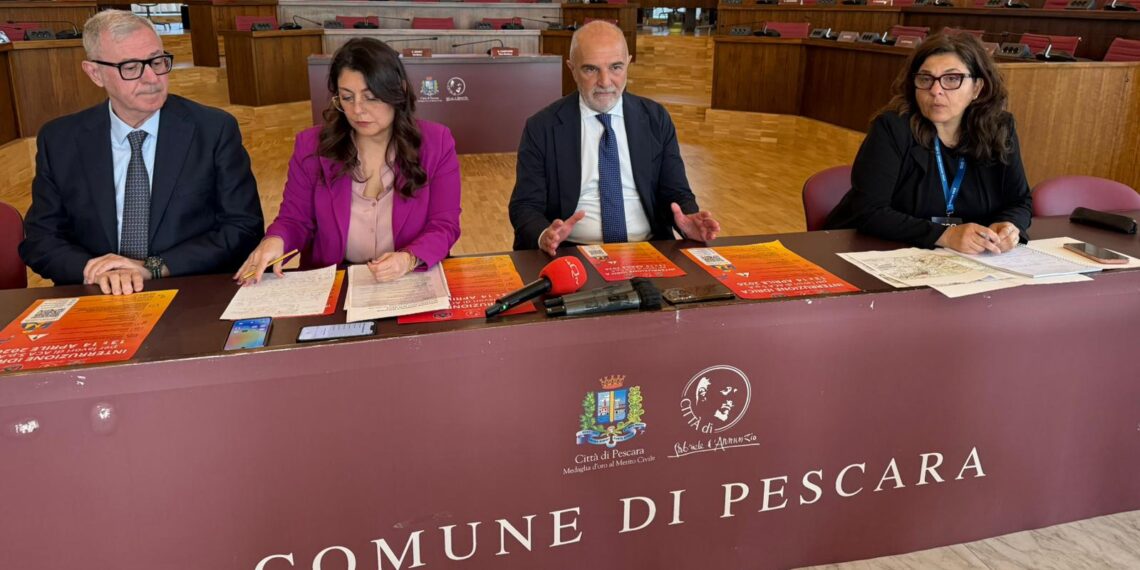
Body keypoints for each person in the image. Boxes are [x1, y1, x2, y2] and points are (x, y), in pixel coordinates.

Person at [19, 10, 264, 294]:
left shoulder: (213, 129)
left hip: (190, 292)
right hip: (98, 295)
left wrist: (154, 268)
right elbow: (41, 239)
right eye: (131, 67)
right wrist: (95, 270)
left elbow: (243, 228)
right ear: (95, 73)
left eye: (157, 62)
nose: (151, 78)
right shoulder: (60, 139)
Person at [237, 38, 460, 283]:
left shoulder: (436, 143)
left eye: (371, 97)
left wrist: (409, 259)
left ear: (399, 91)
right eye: (347, 97)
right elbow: (294, 219)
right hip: (333, 279)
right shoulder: (311, 146)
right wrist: (275, 240)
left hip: (407, 277)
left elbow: (444, 225)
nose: (357, 110)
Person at [508, 21, 719, 256]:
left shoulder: (656, 119)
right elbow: (525, 205)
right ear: (572, 69)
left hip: (649, 249)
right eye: (591, 69)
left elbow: (677, 192)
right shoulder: (542, 127)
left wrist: (689, 220)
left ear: (628, 63)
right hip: (570, 253)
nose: (605, 82)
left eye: (615, 67)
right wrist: (544, 235)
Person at [825, 32, 1031, 254]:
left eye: (952, 79)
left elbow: (1020, 201)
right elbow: (868, 211)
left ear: (977, 88)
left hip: (966, 260)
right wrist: (945, 235)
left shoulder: (999, 129)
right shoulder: (892, 128)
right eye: (925, 79)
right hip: (878, 252)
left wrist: (1010, 225)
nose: (935, 90)